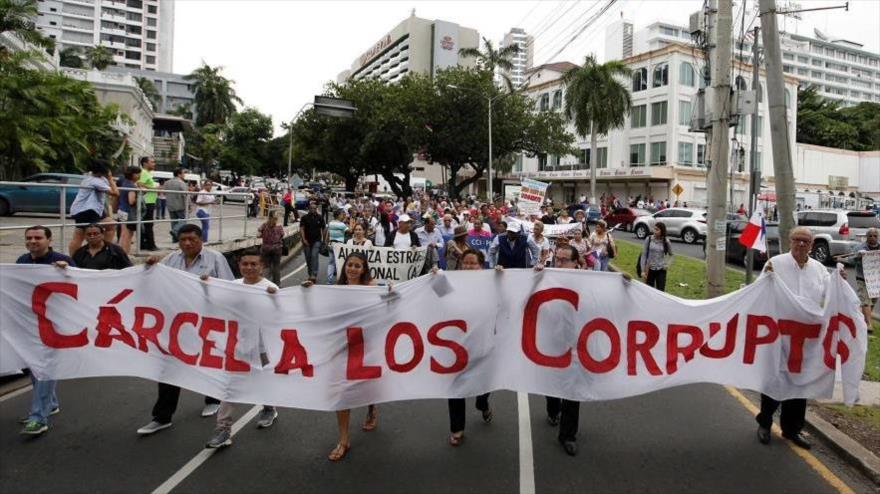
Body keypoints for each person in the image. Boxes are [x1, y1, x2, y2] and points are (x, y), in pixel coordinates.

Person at [137, 224, 232, 435]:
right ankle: (162, 416)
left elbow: (229, 288)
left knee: (209, 363)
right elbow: (155, 282)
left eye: (192, 239)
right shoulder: (172, 260)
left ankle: (213, 399)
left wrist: (212, 286)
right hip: (178, 324)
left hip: (207, 323)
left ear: (201, 240)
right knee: (169, 368)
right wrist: (150, 266)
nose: (187, 243)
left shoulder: (215, 259)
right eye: (183, 240)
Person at [755, 226, 840, 450]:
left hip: (805, 339)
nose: (801, 244)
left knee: (800, 384)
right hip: (778, 335)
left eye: (805, 241)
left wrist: (839, 282)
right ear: (790, 241)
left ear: (811, 245)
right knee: (774, 381)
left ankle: (792, 429)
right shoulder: (775, 264)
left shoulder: (820, 270)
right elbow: (758, 291)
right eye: (797, 240)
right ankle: (764, 423)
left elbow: (829, 296)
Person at [302, 252, 381, 461]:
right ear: (344, 267)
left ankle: (372, 409)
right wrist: (309, 294)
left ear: (364, 269)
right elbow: (317, 313)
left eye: (357, 266)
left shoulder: (372, 289)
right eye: (350, 265)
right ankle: (344, 439)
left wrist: (393, 291)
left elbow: (391, 305)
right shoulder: (334, 290)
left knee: (367, 385)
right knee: (341, 392)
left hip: (365, 345)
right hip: (340, 347)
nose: (352, 269)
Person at [205, 247, 279, 449]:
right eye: (245, 264)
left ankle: (269, 407)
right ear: (239, 266)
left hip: (264, 348)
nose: (249, 267)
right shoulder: (232, 286)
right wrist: (204, 286)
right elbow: (214, 303)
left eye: (254, 264)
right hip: (238, 346)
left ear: (262, 266)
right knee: (230, 386)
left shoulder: (270, 288)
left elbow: (285, 316)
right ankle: (223, 429)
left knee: (265, 380)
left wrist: (277, 300)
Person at [16, 226, 74, 436]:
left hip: (55, 327)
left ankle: (38, 417)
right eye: (29, 238)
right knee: (34, 367)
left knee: (44, 369)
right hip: (31, 325)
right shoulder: (22, 261)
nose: (33, 241)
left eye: (38, 237)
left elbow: (80, 286)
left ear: (49, 240)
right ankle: (50, 403)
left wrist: (66, 271)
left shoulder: (61, 261)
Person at [447, 249, 493, 446]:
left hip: (483, 345)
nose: (468, 266)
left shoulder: (492, 284)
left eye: (473, 263)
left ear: (481, 266)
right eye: (464, 262)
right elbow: (431, 295)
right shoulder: (450, 284)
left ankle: (482, 402)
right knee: (456, 388)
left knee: (484, 384)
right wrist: (433, 279)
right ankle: (457, 428)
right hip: (456, 347)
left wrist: (502, 277)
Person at [544, 244, 583, 456]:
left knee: (572, 389)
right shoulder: (546, 278)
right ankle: (552, 410)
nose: (559, 263)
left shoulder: (590, 283)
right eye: (557, 259)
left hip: (576, 345)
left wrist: (623, 284)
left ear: (576, 263)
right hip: (549, 344)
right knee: (552, 385)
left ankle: (568, 435)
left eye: (564, 259)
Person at [68, 159, 119, 255]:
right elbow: (115, 192)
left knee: (111, 224)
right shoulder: (94, 181)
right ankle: (74, 259)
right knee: (79, 236)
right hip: (85, 210)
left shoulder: (95, 177)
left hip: (94, 210)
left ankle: (104, 250)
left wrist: (108, 179)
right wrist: (110, 178)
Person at [854, 227, 879, 330]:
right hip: (862, 278)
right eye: (870, 236)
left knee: (872, 301)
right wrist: (858, 256)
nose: (873, 238)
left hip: (876, 280)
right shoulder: (860, 248)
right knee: (865, 301)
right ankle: (869, 325)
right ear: (866, 237)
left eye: (875, 236)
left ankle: (860, 317)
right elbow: (851, 261)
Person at [639, 222, 673, 291]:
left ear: (662, 231)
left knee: (660, 291)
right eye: (654, 229)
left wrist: (667, 265)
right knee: (649, 290)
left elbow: (671, 255)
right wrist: (642, 271)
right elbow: (644, 255)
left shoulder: (666, 241)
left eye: (657, 230)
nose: (654, 231)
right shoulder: (648, 239)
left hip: (661, 270)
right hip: (649, 269)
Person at [115, 166, 141, 253]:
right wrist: (139, 199)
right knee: (127, 235)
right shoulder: (131, 186)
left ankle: (120, 252)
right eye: (137, 173)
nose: (139, 175)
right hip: (128, 212)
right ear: (133, 174)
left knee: (123, 234)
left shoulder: (124, 183)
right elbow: (131, 201)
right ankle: (125, 253)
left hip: (121, 210)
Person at [300, 201, 326, 283]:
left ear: (316, 209)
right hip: (307, 241)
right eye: (311, 208)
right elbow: (302, 229)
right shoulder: (304, 218)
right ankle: (310, 274)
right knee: (308, 258)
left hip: (317, 241)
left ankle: (314, 275)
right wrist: (304, 239)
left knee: (314, 256)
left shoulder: (320, 217)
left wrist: (323, 240)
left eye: (314, 208)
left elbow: (324, 229)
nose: (313, 210)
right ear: (308, 209)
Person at [137, 156, 159, 251]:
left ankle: (146, 243)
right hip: (147, 201)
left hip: (151, 201)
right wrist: (153, 189)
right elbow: (139, 184)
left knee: (148, 224)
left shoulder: (148, 173)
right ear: (145, 163)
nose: (154, 164)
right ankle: (150, 245)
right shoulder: (144, 173)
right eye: (152, 162)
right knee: (148, 224)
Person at [258, 212, 284, 285]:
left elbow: (258, 234)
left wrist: (263, 236)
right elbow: (282, 235)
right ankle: (277, 284)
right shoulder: (279, 226)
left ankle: (264, 284)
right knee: (276, 266)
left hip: (266, 248)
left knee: (265, 266)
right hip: (277, 248)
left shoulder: (264, 225)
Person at [164, 168, 188, 242]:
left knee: (173, 221)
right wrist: (188, 205)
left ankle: (174, 239)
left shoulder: (167, 183)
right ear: (179, 174)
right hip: (180, 204)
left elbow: (165, 193)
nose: (184, 175)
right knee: (183, 220)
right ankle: (175, 231)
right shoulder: (181, 183)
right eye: (183, 173)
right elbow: (185, 195)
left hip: (170, 204)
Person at [326, 210, 348, 284]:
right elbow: (350, 231)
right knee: (339, 262)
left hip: (331, 244)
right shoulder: (342, 225)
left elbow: (328, 233)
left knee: (331, 262)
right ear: (338, 215)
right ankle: (339, 280)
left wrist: (326, 243)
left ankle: (329, 280)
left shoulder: (330, 223)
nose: (343, 216)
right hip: (339, 245)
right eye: (342, 214)